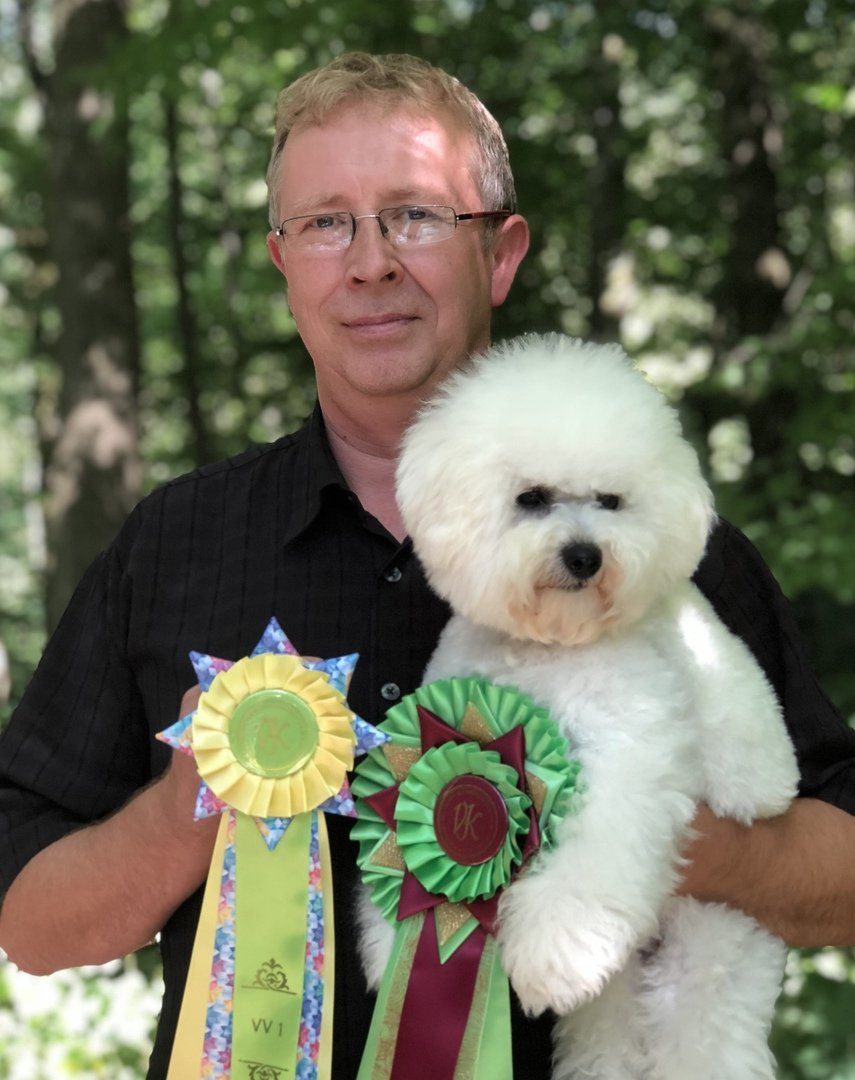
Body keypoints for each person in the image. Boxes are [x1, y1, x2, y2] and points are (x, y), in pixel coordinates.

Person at [0, 52, 854, 1080]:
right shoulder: (172, 542)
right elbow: (30, 927)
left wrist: (665, 827)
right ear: (284, 264)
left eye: (414, 215)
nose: (369, 263)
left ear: (499, 254)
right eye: (325, 223)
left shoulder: (658, 543)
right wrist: (196, 806)